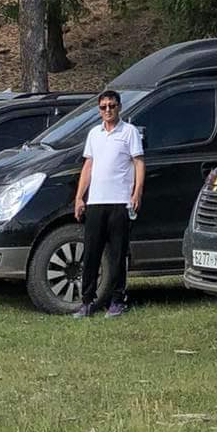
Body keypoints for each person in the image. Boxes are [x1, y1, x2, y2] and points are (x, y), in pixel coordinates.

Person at [73, 89, 145, 318]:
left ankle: (117, 300)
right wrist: (79, 197)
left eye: (111, 106)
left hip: (120, 202)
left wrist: (136, 193)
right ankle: (87, 301)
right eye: (103, 107)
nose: (108, 110)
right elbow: (88, 166)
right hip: (96, 202)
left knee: (117, 254)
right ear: (99, 110)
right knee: (91, 253)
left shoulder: (129, 132)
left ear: (119, 107)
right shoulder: (94, 134)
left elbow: (139, 163)